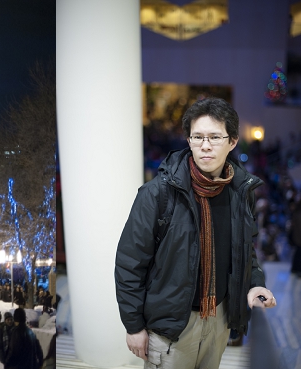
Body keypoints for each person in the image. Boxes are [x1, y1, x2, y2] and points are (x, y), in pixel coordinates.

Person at [115, 97, 278, 366]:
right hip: (171, 329)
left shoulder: (240, 193)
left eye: (215, 137)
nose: (205, 145)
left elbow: (246, 250)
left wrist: (254, 284)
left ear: (232, 141)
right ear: (188, 140)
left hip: (219, 320)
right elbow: (129, 263)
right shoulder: (158, 194)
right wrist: (133, 326)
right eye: (197, 137)